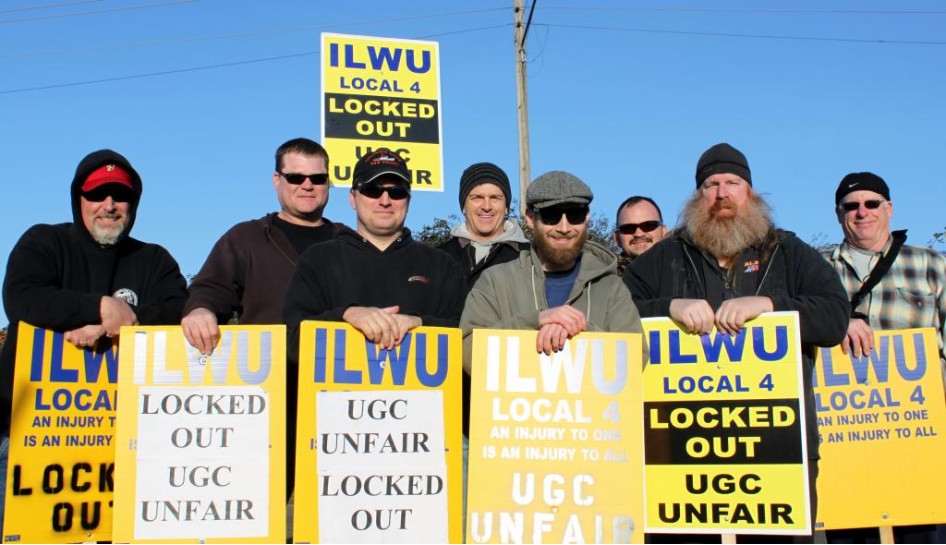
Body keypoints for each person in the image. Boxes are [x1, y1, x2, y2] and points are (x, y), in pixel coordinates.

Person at [624, 143, 849, 542]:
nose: (722, 193)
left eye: (732, 182)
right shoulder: (664, 258)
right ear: (698, 196)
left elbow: (834, 317)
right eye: (711, 184)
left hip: (779, 444)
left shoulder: (789, 253)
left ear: (751, 192)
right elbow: (617, 313)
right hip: (681, 449)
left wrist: (770, 304)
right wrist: (669, 306)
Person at [0, 149, 187, 524]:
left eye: (120, 196)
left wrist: (121, 321)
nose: (109, 205)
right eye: (97, 195)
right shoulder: (43, 242)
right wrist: (98, 307)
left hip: (128, 444)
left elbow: (178, 310)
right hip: (28, 440)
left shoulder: (155, 260)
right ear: (78, 200)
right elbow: (21, 296)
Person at [823, 172, 946, 545]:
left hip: (918, 435)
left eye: (871, 203)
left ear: (889, 209)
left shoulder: (932, 264)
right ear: (838, 213)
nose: (862, 213)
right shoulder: (816, 268)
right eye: (851, 206)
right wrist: (837, 319)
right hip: (844, 439)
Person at [283, 147, 465, 351]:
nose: (385, 201)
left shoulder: (443, 266)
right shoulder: (317, 260)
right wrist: (345, 315)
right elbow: (289, 341)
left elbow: (467, 340)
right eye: (372, 190)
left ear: (408, 200)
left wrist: (420, 324)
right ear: (352, 198)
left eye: (397, 192)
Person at [462, 170, 644, 362]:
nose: (564, 228)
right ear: (531, 219)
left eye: (575, 215)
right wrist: (535, 322)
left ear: (587, 217)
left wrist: (578, 331)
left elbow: (636, 357)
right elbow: (468, 353)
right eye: (551, 216)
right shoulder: (495, 281)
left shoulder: (611, 287)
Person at [181, 137, 341, 354]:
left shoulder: (348, 241)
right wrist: (200, 310)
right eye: (295, 178)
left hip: (336, 377)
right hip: (267, 378)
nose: (307, 186)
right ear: (277, 179)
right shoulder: (246, 237)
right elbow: (210, 288)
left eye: (318, 178)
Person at [438, 162, 528, 293]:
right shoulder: (439, 258)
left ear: (506, 207)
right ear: (463, 206)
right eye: (477, 198)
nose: (486, 206)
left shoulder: (530, 257)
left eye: (495, 198)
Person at [612, 195, 669, 273]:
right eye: (628, 228)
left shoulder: (686, 271)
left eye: (648, 225)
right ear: (616, 238)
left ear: (664, 232)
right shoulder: (604, 280)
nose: (639, 234)